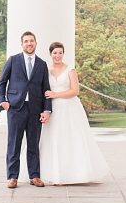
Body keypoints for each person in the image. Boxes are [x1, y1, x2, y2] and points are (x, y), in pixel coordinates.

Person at [38, 41, 109, 184]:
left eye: (60, 52)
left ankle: (76, 172)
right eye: (55, 53)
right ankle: (54, 173)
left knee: (71, 137)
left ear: (63, 54)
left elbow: (75, 91)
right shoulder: (46, 70)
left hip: (69, 108)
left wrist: (55, 95)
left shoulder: (70, 70)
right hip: (54, 109)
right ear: (50, 54)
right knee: (54, 138)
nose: (57, 55)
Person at [0, 31, 52, 188]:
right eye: (26, 41)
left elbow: (46, 88)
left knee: (33, 144)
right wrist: (3, 101)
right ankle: (12, 177)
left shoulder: (42, 64)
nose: (29, 43)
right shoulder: (13, 60)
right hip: (16, 108)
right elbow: (2, 82)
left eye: (32, 41)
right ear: (22, 44)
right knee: (14, 144)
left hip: (35, 109)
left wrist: (47, 110)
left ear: (36, 43)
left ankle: (34, 176)